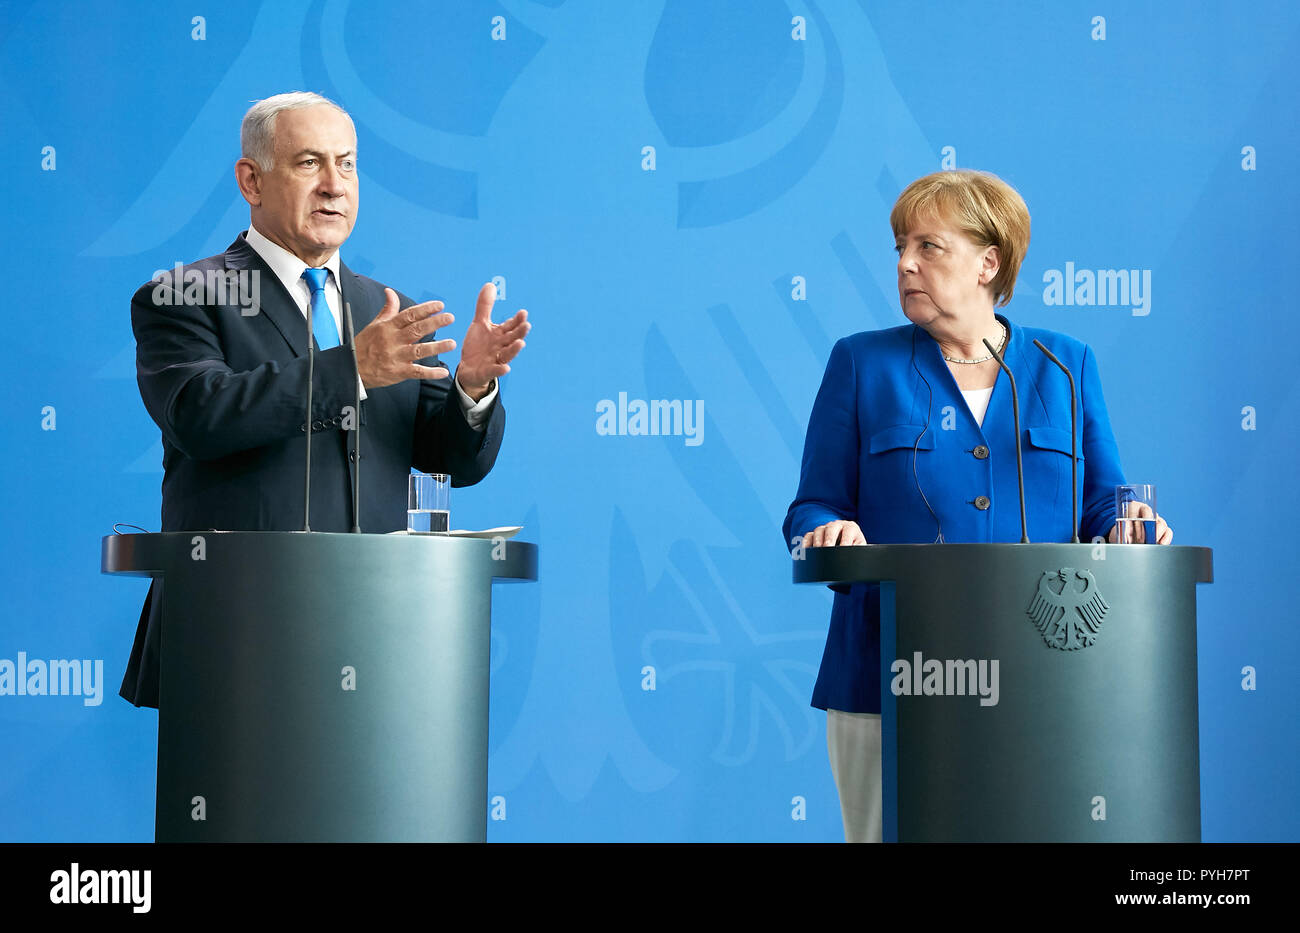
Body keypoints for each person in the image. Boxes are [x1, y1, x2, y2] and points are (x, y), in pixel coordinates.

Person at [782, 169, 1171, 842]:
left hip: (1040, 678)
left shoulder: (1063, 364)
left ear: (990, 261)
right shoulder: (860, 364)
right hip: (886, 677)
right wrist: (826, 529)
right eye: (901, 245)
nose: (905, 262)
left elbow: (1106, 502)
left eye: (929, 246)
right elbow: (811, 506)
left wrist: (1131, 523)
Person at [119, 91, 530, 707]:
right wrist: (352, 369)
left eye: (348, 164)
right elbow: (199, 415)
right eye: (309, 164)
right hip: (236, 636)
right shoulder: (185, 293)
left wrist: (472, 388)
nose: (334, 186)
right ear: (251, 181)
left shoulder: (383, 307)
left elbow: (455, 462)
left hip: (381, 640)